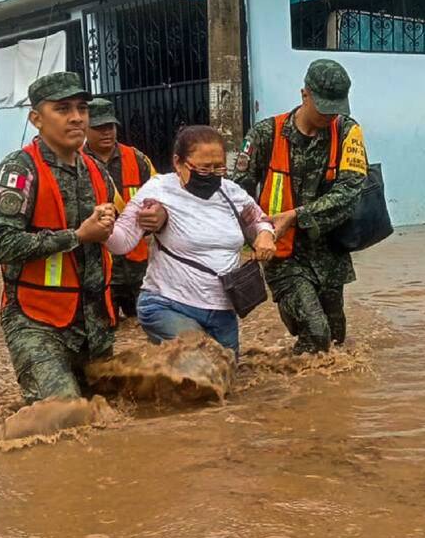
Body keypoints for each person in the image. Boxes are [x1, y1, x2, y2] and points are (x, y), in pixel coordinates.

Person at [0, 72, 167, 404]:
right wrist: (77, 236)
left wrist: (153, 219)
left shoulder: (95, 169)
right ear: (36, 119)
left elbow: (120, 230)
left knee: (117, 409)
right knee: (64, 412)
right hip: (36, 321)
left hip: (94, 323)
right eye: (63, 108)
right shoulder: (20, 170)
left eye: (82, 108)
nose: (76, 117)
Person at [232, 59, 367, 354]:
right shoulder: (265, 134)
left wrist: (295, 216)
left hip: (331, 256)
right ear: (304, 94)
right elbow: (237, 193)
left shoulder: (347, 131)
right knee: (317, 334)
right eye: (323, 106)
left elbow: (350, 192)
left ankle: (310, 392)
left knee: (335, 341)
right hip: (283, 255)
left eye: (336, 107)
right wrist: (256, 236)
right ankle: (281, 396)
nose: (330, 114)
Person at [106, 125, 276, 356]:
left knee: (226, 375)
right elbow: (122, 242)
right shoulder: (159, 190)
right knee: (202, 363)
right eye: (204, 168)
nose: (213, 174)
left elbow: (259, 220)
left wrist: (265, 236)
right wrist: (102, 225)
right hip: (168, 304)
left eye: (219, 167)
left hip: (222, 311)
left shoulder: (230, 192)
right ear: (178, 163)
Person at [84, 98, 158, 320]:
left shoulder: (137, 159)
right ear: (85, 129)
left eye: (110, 127)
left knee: (146, 323)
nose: (106, 132)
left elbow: (160, 197)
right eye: (98, 128)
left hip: (138, 265)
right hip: (100, 267)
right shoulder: (76, 162)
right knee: (105, 328)